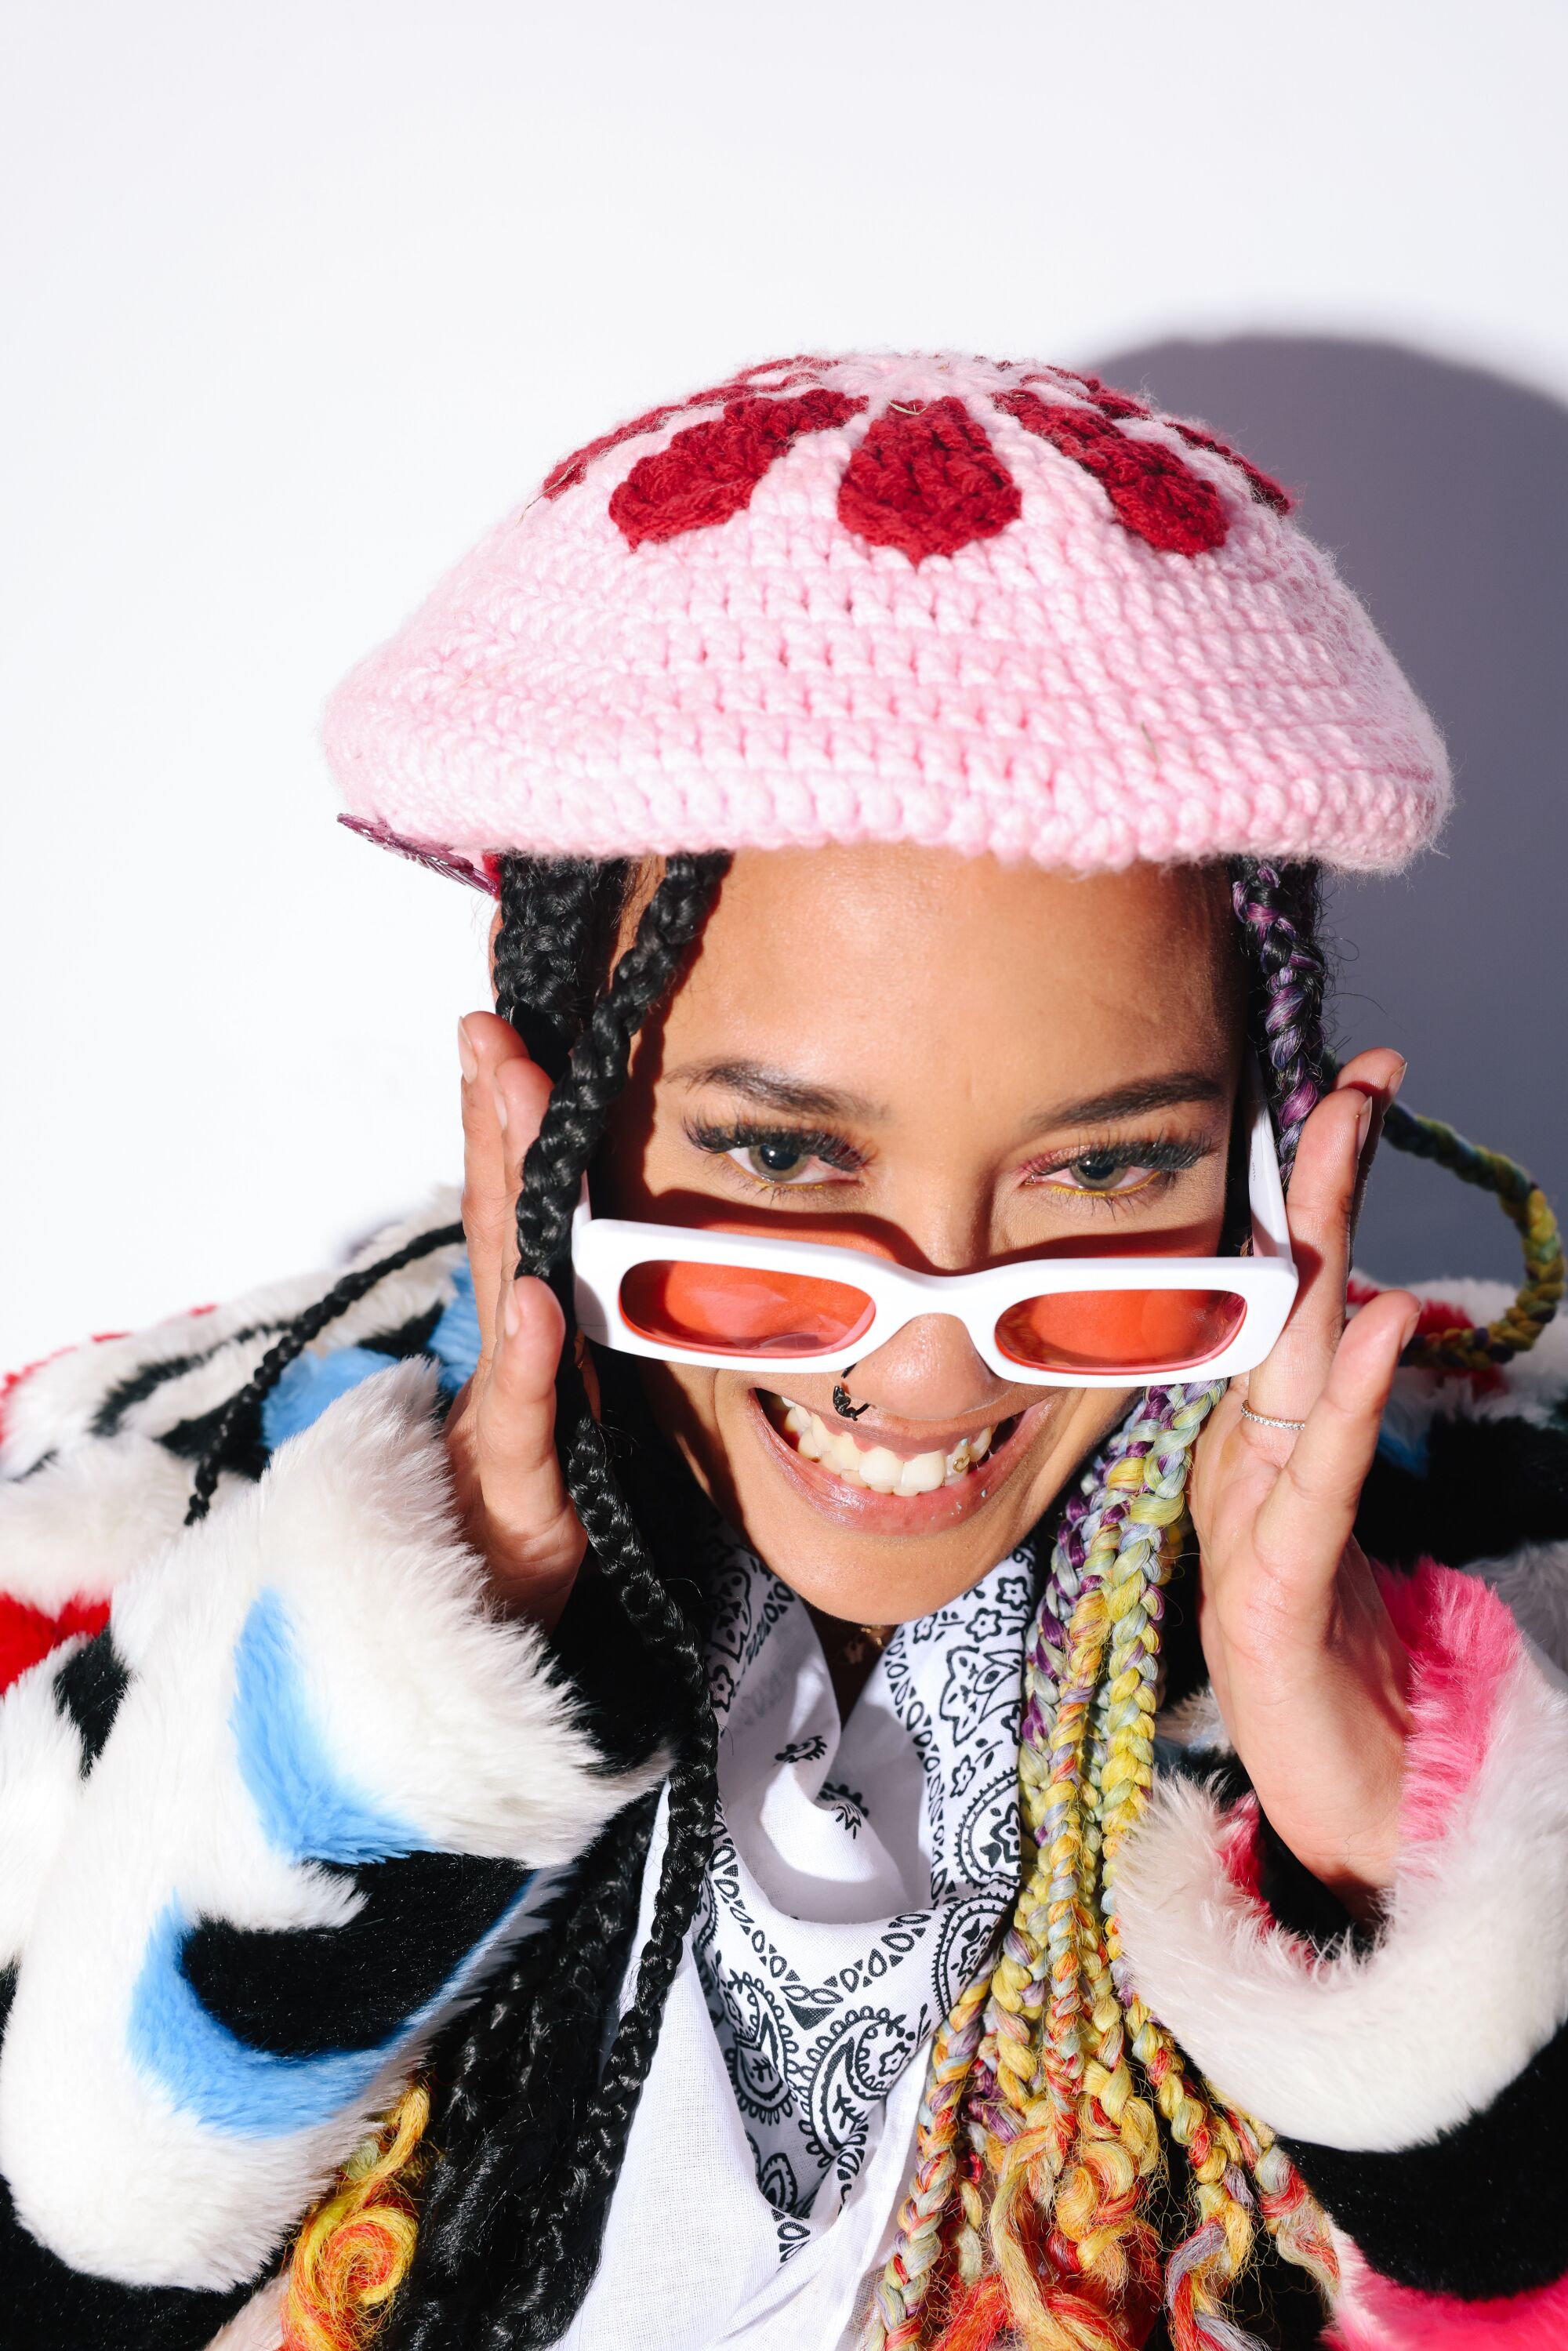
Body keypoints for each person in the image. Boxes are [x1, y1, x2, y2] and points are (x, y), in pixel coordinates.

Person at [2, 353, 1564, 2351]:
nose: (924, 1378)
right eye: (775, 1158)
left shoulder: (1497, 1575)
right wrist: (404, 1713)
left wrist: (1383, 1834)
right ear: (533, 1130)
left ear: (1263, 1154)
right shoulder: (140, 1522)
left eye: (1103, 1175)